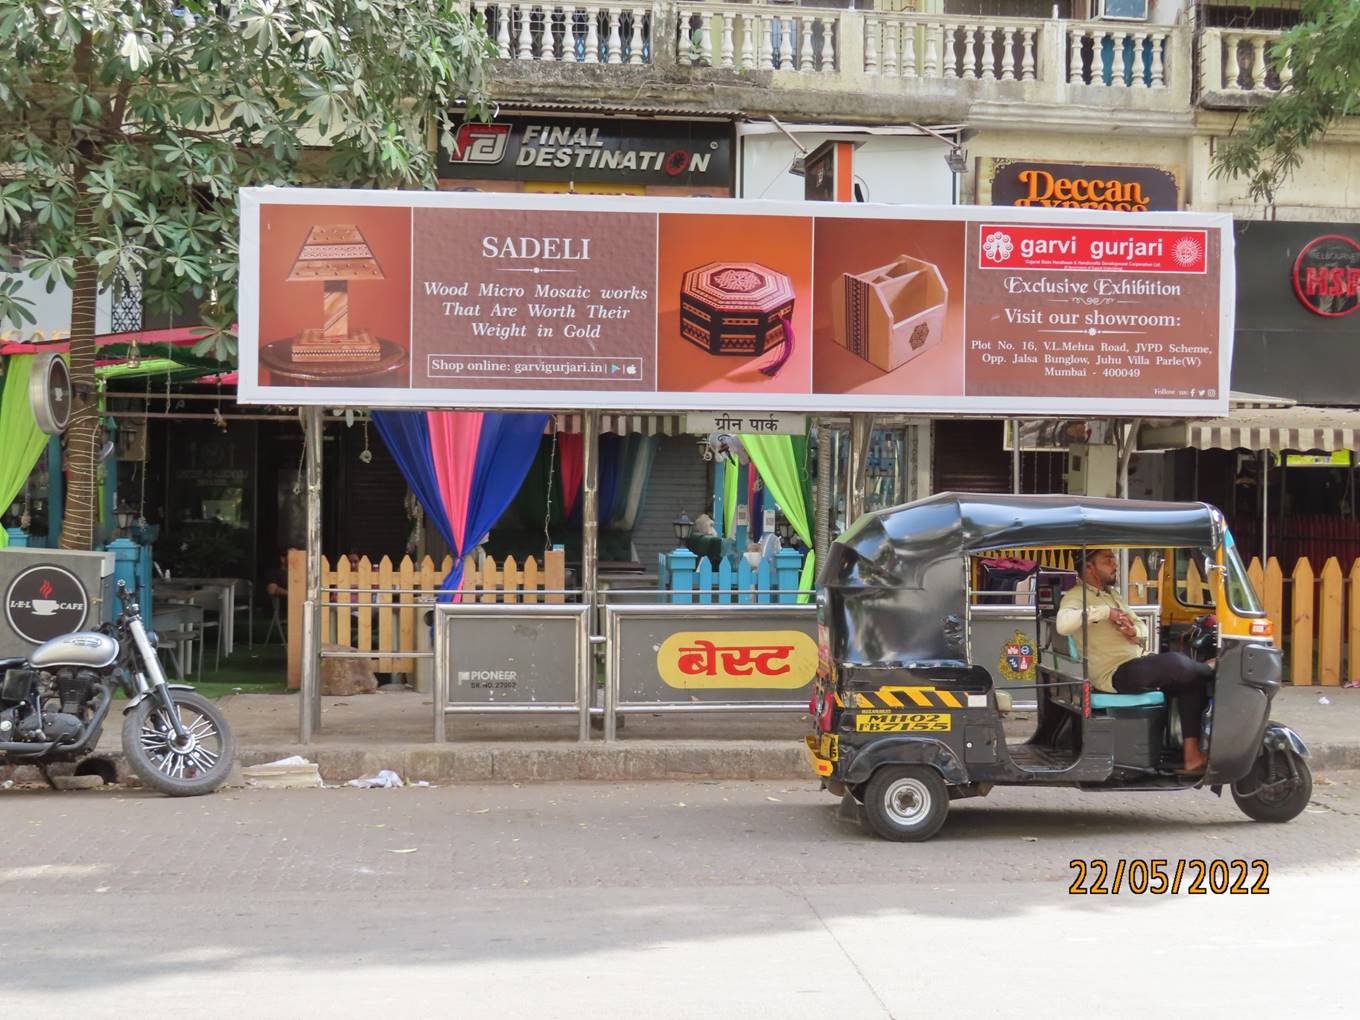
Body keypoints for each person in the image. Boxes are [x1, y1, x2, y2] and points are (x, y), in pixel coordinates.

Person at [1056, 548, 1214, 773]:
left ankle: (1192, 757)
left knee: (1191, 681)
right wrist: (1104, 613)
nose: (1115, 564)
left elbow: (1141, 626)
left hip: (1134, 664)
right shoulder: (1076, 596)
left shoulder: (1113, 595)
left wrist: (1134, 633)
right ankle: (1211, 669)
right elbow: (1063, 625)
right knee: (1177, 664)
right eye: (1108, 560)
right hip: (1112, 674)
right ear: (1089, 567)